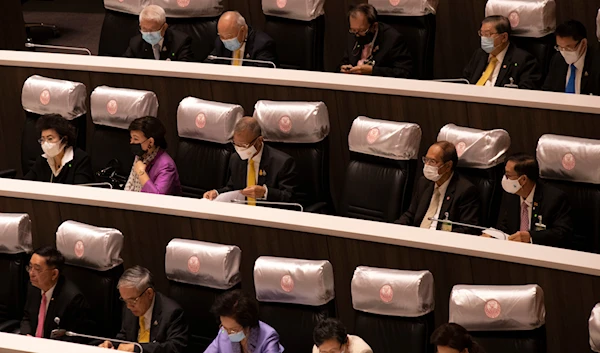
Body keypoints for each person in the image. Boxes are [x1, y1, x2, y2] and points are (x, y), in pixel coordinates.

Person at [203, 117, 298, 204]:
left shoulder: (282, 162)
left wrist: (265, 193)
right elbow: (233, 188)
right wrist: (216, 193)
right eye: (236, 144)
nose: (240, 149)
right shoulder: (235, 159)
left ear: (259, 141)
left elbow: (290, 197)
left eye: (244, 145)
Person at [395, 141, 480, 235]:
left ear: (448, 166)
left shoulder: (465, 190)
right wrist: (394, 229)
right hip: (417, 237)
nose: (427, 165)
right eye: (426, 160)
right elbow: (410, 215)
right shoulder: (424, 182)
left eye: (432, 161)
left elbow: (467, 229)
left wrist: (439, 238)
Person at [98, 266, 188, 353]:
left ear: (149, 293)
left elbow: (175, 348)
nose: (128, 306)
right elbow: (125, 335)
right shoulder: (129, 306)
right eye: (125, 300)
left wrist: (138, 348)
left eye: (132, 300)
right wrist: (112, 344)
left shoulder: (172, 313)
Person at [491, 153, 573, 247]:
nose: (505, 179)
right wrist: (493, 235)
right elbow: (504, 226)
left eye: (508, 175)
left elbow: (562, 233)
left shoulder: (554, 198)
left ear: (523, 180)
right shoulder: (511, 195)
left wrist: (531, 237)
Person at [20, 246, 92, 341]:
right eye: (30, 267)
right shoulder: (34, 286)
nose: (31, 273)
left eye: (37, 269)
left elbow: (74, 338)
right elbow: (27, 317)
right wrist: (26, 335)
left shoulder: (72, 299)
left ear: (54, 274)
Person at [463, 15, 541, 89]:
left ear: (504, 37)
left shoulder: (524, 60)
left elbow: (525, 92)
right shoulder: (480, 54)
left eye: (487, 34)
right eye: (481, 34)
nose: (483, 38)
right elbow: (466, 80)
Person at [339, 3, 413, 78]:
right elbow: (345, 61)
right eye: (354, 30)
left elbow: (404, 72)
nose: (357, 35)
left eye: (362, 31)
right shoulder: (353, 34)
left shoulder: (393, 39)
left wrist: (373, 71)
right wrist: (343, 68)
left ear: (374, 26)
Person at [204, 289, 283, 353]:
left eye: (233, 330)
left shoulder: (268, 337)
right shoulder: (223, 332)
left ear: (248, 325)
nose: (228, 334)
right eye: (224, 327)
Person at [23, 114, 93, 184]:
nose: (46, 143)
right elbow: (25, 185)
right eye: (43, 139)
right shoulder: (42, 161)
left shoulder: (80, 160)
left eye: (50, 138)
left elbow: (81, 190)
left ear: (64, 139)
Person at [125, 116, 182, 195]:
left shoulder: (166, 166)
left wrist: (141, 173)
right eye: (131, 138)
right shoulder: (141, 157)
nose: (131, 142)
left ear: (150, 142)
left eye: (136, 139)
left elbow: (156, 199)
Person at [542, 20, 600, 95]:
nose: (564, 52)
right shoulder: (557, 59)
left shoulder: (596, 62)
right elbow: (547, 91)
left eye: (568, 48)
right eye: (560, 47)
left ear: (583, 43)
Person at [206, 11, 278, 68]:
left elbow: (261, 76)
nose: (225, 40)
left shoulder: (263, 45)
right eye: (221, 36)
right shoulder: (220, 42)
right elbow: (207, 66)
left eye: (229, 36)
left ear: (242, 30)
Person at [124, 5, 193, 62]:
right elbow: (125, 66)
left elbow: (186, 69)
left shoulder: (181, 42)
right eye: (144, 29)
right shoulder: (135, 43)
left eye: (153, 29)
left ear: (164, 27)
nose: (148, 33)